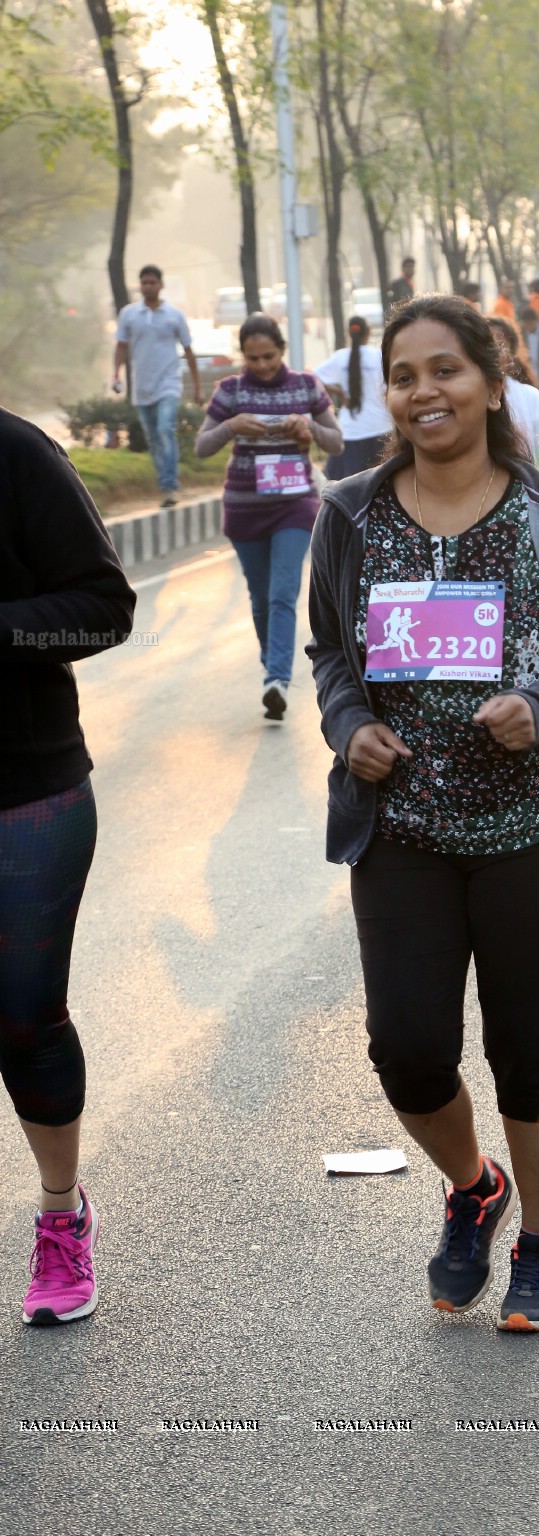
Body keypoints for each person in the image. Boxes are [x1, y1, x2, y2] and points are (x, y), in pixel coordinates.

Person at [305, 294, 539, 1332]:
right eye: (404, 376)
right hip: (401, 828)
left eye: (446, 370)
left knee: (530, 1051)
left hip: (535, 830)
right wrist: (348, 723)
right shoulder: (351, 514)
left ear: (494, 385)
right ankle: (472, 1186)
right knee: (406, 1050)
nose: (423, 392)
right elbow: (328, 652)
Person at [0, 407, 136, 1326]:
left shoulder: (14, 453)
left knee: (22, 1020)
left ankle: (60, 1216)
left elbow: (103, 606)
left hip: (24, 793)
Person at [195, 312, 341, 719]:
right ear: (242, 355)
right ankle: (271, 666)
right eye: (253, 358)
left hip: (295, 505)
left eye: (270, 356)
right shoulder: (230, 390)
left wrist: (308, 427)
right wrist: (232, 426)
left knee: (282, 593)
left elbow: (337, 442)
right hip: (244, 508)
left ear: (282, 351)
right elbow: (202, 446)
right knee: (260, 599)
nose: (262, 365)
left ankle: (276, 679)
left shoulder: (307, 385)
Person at [112, 264, 202, 509]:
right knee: (153, 439)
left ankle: (169, 485)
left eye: (153, 282)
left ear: (161, 285)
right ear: (140, 286)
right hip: (142, 386)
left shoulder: (174, 315)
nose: (148, 286)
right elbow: (121, 346)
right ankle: (165, 482)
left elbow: (188, 350)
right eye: (144, 282)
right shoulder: (129, 314)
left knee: (165, 429)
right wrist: (115, 375)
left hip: (168, 383)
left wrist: (196, 387)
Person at [314, 317, 392, 480]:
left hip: (350, 432)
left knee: (349, 489)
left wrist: (339, 393)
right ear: (369, 331)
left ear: (349, 333)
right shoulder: (379, 356)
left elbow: (312, 377)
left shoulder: (340, 358)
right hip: (381, 429)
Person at [487, 315, 539, 472]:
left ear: (511, 352)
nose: (491, 357)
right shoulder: (466, 400)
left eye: (499, 347)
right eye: (485, 349)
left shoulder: (531, 398)